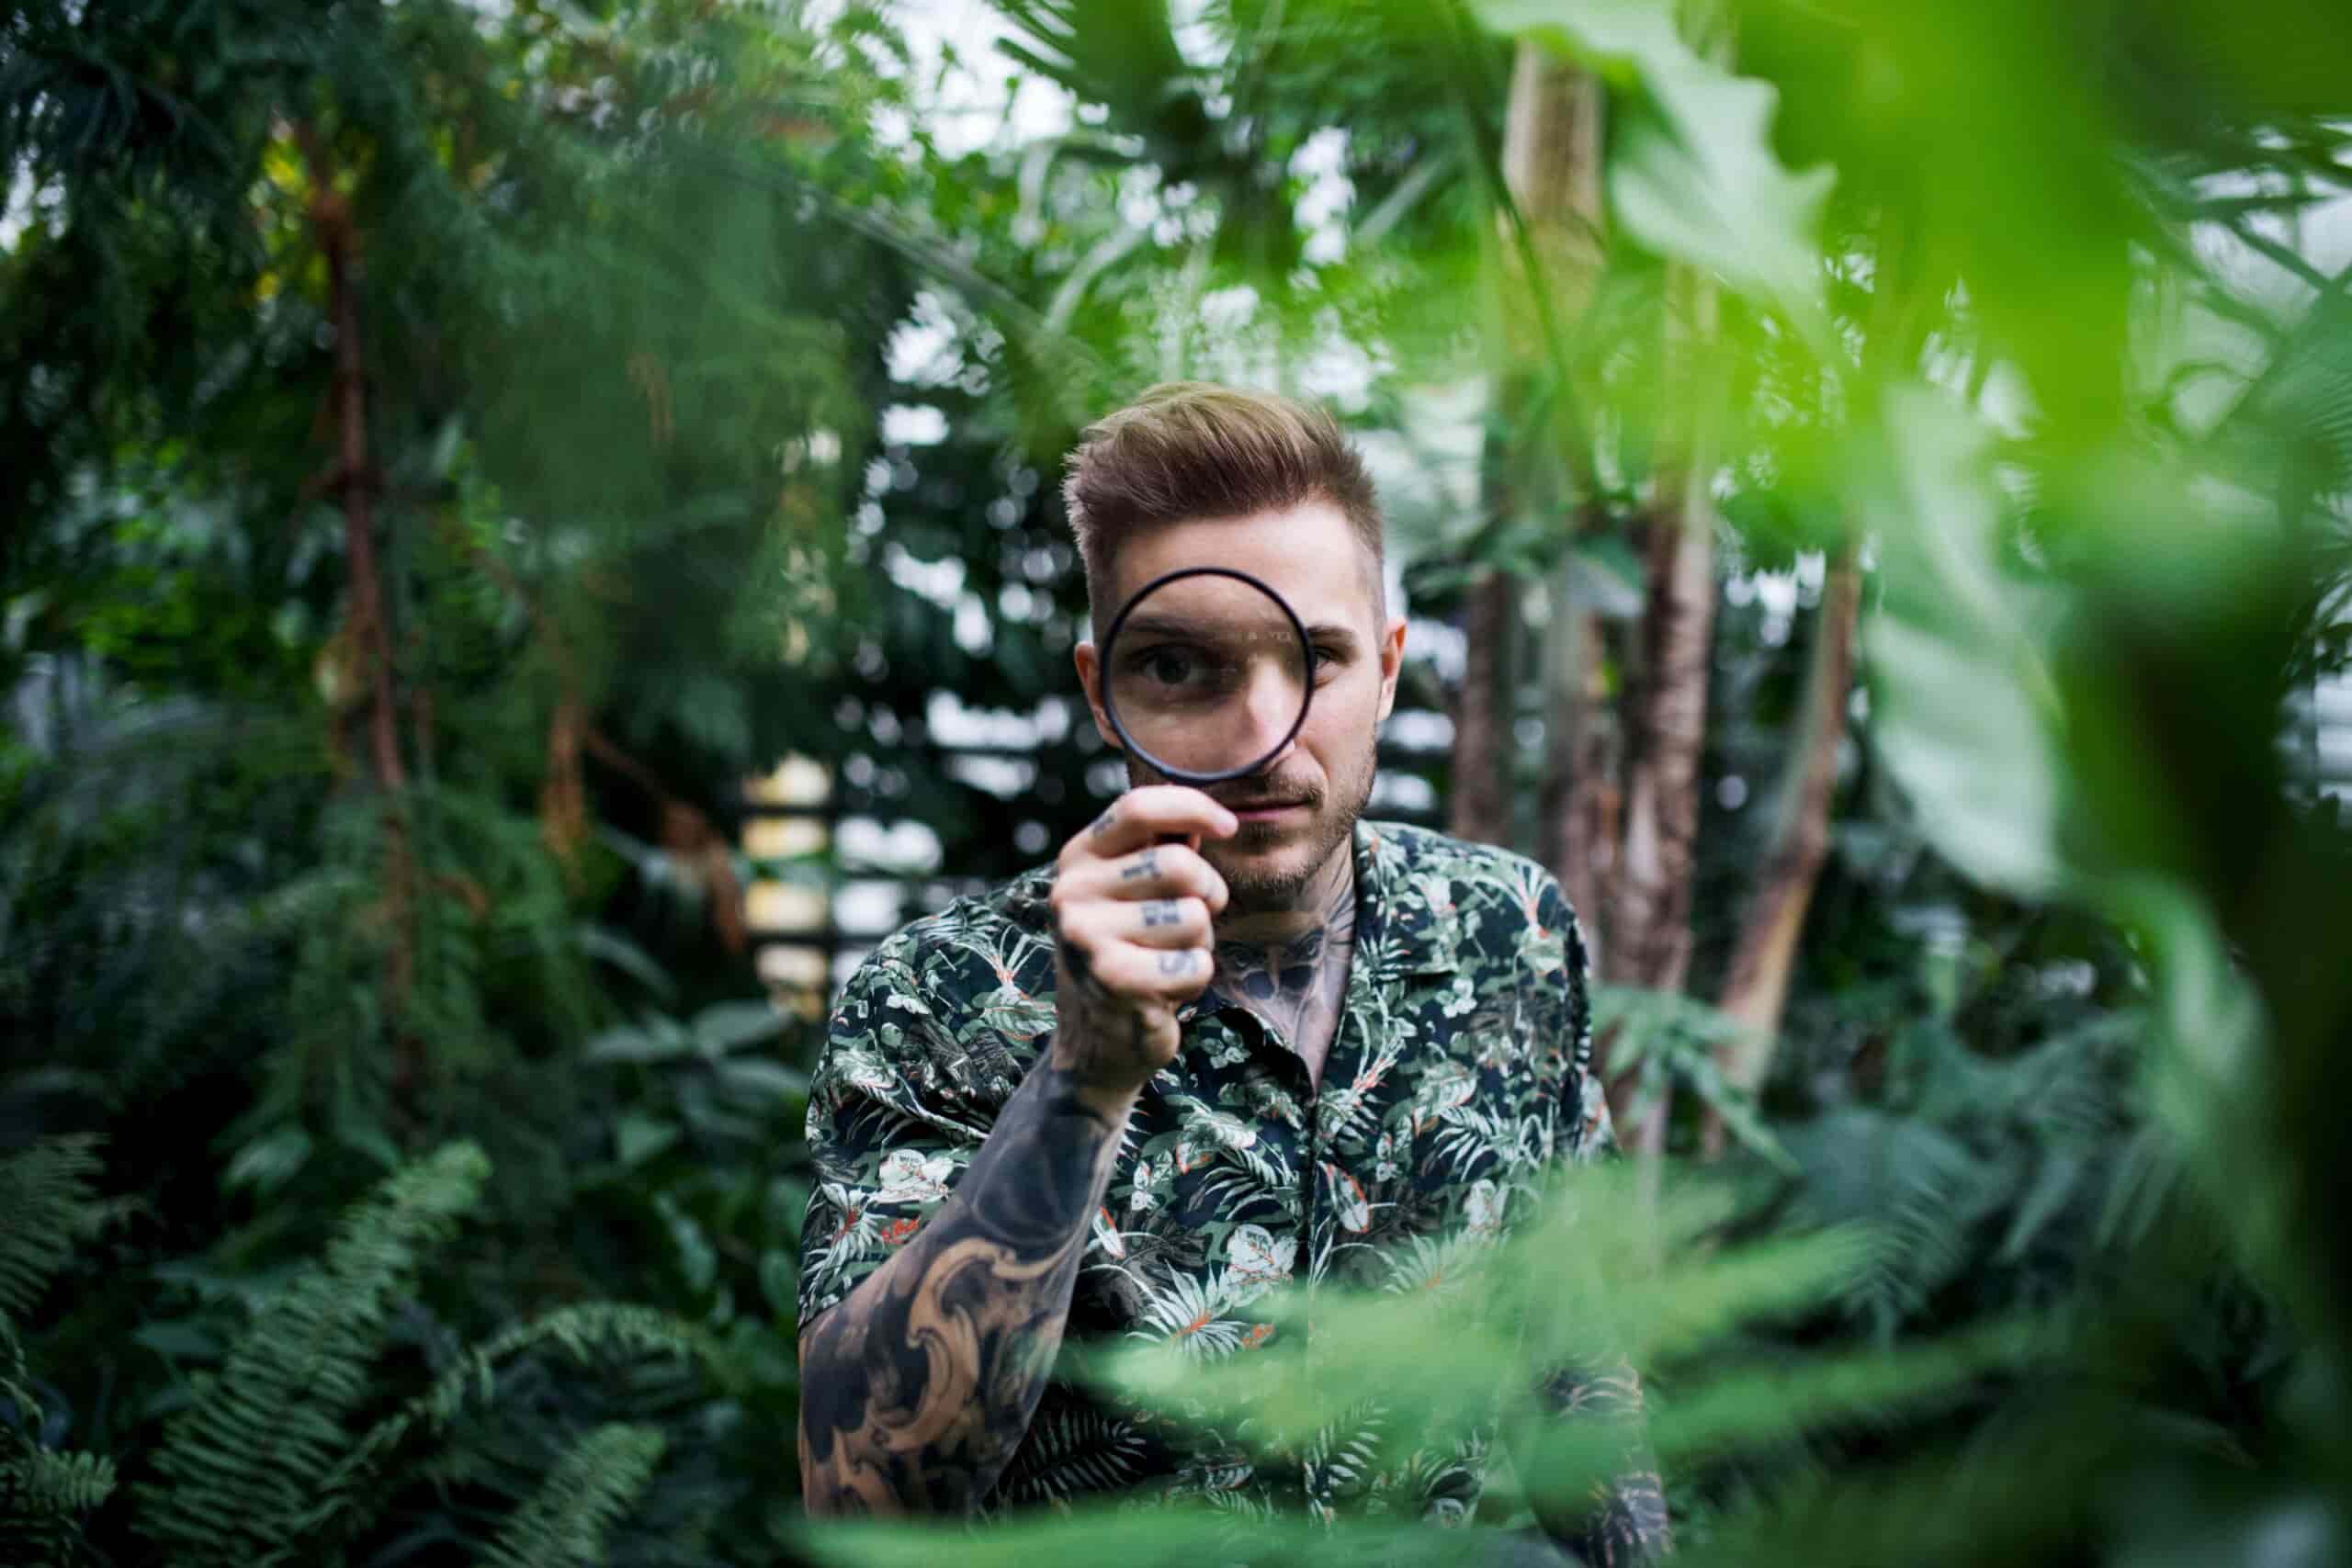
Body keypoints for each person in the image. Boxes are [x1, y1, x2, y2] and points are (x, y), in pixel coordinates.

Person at [794, 382, 1669, 1562]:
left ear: (1391, 669)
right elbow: (861, 1498)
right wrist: (1081, 1080)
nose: (1265, 732)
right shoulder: (934, 1001)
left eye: (1316, 657)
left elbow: (1581, 1366)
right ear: (1103, 690)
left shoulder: (1508, 934)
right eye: (1180, 666)